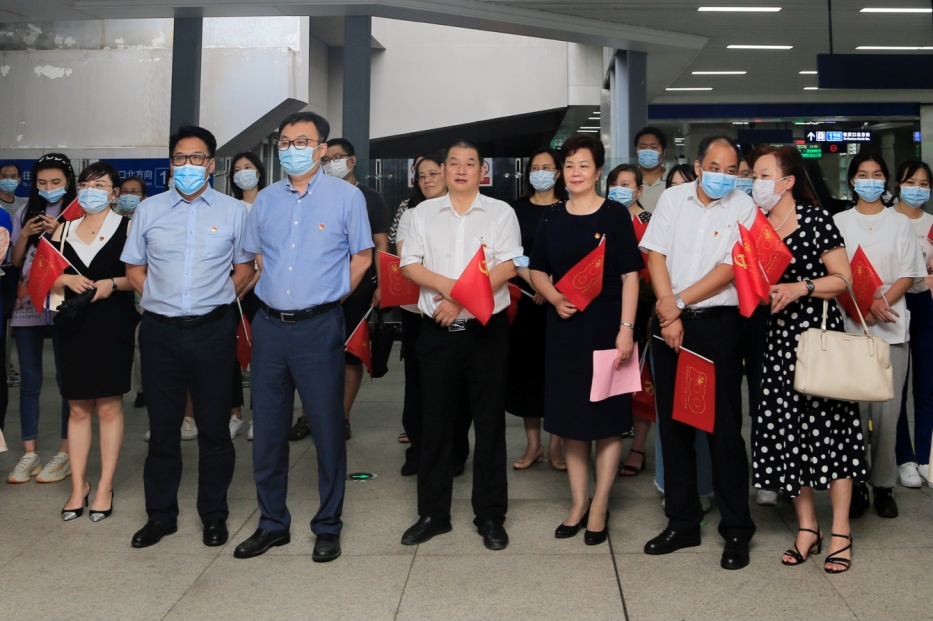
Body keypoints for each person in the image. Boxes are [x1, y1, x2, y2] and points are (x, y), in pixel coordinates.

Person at [234, 112, 372, 563]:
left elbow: (363, 257)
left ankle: (328, 525)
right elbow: (253, 260)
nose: (292, 149)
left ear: (320, 148)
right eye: (285, 142)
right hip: (269, 327)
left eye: (302, 141)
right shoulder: (266, 200)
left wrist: (331, 296)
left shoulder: (346, 197)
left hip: (319, 326)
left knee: (326, 428)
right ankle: (272, 523)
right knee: (268, 429)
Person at [122, 124, 255, 549]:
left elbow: (245, 268)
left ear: (211, 165)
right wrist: (160, 297)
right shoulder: (149, 210)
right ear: (171, 164)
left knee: (215, 428)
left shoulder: (233, 211)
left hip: (213, 330)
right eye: (180, 158)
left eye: (197, 158)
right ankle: (160, 516)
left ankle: (214, 515)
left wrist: (215, 299)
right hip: (160, 330)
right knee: (163, 428)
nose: (188, 165)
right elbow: (134, 267)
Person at [640, 135, 758, 570]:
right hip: (668, 323)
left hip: (717, 326)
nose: (723, 176)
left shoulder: (744, 207)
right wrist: (668, 312)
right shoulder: (673, 199)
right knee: (674, 428)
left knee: (722, 430)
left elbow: (731, 268)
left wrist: (678, 303)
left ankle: (736, 529)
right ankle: (683, 521)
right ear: (698, 165)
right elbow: (655, 255)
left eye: (732, 170)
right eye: (715, 167)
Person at [748, 144, 866, 574]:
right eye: (754, 176)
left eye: (763, 175)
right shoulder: (755, 225)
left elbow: (844, 279)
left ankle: (840, 531)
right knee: (787, 434)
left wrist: (802, 287)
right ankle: (807, 527)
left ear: (788, 181)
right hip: (777, 342)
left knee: (831, 431)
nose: (756, 183)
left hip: (817, 340)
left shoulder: (816, 220)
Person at [399, 139, 521, 551]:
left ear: (482, 171)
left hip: (486, 331)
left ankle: (490, 515)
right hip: (436, 332)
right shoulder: (421, 213)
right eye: (454, 163)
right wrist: (451, 289)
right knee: (434, 425)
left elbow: (508, 265)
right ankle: (433, 515)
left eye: (470, 163)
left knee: (489, 425)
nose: (462, 169)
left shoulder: (500, 212)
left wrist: (459, 300)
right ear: (445, 170)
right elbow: (409, 264)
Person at [530, 136, 642, 546]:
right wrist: (554, 296)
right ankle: (579, 502)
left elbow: (631, 275)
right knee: (572, 422)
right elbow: (537, 269)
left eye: (584, 165)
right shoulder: (552, 216)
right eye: (569, 166)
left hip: (608, 329)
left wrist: (626, 328)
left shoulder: (615, 214)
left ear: (597, 172)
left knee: (607, 421)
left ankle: (601, 504)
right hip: (566, 329)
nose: (575, 173)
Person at [833, 150, 926, 520]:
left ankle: (884, 484)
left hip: (891, 324)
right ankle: (855, 483)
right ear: (852, 180)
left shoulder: (899, 223)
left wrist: (879, 302)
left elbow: (909, 272)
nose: (869, 181)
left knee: (888, 412)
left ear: (885, 180)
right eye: (863, 175)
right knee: (853, 412)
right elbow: (834, 273)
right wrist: (863, 307)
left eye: (876, 175)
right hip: (850, 326)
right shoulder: (838, 221)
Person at [288, 137, 389, 442]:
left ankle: (341, 417)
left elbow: (381, 244)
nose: (330, 163)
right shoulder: (314, 195)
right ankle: (309, 416)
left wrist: (384, 285)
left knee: (349, 356)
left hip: (357, 291)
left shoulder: (370, 197)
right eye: (325, 158)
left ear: (351, 161)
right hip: (316, 291)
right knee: (312, 357)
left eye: (336, 157)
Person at [53, 162, 137, 522]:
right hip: (72, 325)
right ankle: (79, 486)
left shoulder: (128, 228)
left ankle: (104, 486)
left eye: (100, 185)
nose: (91, 190)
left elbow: (141, 278)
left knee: (108, 407)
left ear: (114, 193)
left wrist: (112, 284)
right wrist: (64, 281)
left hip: (112, 324)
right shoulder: (63, 229)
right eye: (86, 184)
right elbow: (41, 277)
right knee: (77, 408)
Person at [393, 154, 474, 477]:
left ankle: (455, 450)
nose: (427, 180)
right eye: (421, 176)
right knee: (417, 381)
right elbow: (406, 257)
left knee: (458, 383)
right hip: (417, 310)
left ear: (446, 173)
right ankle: (418, 448)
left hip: (461, 307)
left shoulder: (464, 210)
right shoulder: (410, 211)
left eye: (433, 173)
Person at [7, 153, 75, 484]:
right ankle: (30, 452)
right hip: (27, 305)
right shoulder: (24, 211)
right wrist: (24, 234)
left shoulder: (78, 211)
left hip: (64, 305)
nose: (48, 188)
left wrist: (60, 231)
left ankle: (65, 451)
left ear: (68, 181)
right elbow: (15, 261)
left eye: (56, 182)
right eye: (42, 182)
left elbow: (81, 260)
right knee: (30, 381)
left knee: (67, 379)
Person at [508, 148, 566, 471]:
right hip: (526, 301)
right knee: (527, 373)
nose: (540, 172)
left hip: (562, 303)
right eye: (535, 167)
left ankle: (556, 445)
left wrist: (552, 288)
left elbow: (577, 255)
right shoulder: (515, 210)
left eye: (547, 167)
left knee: (557, 373)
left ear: (558, 173)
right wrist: (540, 285)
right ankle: (534, 445)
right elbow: (513, 254)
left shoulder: (569, 207)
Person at [606, 163, 653, 478]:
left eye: (626, 184)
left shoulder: (649, 221)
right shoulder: (604, 214)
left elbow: (656, 268)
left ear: (639, 190)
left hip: (642, 305)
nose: (619, 189)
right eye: (615, 184)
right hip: (607, 305)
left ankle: (637, 448)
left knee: (640, 377)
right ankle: (609, 439)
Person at [892, 159, 933, 489]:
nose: (916, 189)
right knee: (896, 389)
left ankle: (925, 456)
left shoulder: (931, 224)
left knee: (926, 386)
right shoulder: (888, 221)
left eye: (923, 184)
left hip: (926, 307)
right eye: (910, 182)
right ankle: (903, 457)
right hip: (894, 304)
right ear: (898, 185)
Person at [228, 152, 267, 440]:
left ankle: (260, 415)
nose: (243, 173)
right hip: (230, 288)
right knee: (230, 353)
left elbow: (271, 253)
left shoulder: (271, 203)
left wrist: (250, 284)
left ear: (259, 172)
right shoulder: (229, 207)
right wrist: (234, 288)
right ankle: (235, 415)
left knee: (262, 354)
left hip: (262, 288)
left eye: (248, 167)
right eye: (237, 169)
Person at [117, 176, 147, 410]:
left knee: (140, 344)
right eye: (125, 191)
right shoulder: (111, 221)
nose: (129, 196)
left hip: (141, 292)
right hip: (115, 291)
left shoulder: (147, 221)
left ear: (143, 197)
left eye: (134, 192)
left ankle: (143, 389)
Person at [634, 126, 669, 212]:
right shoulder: (629, 178)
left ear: (664, 152)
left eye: (654, 147)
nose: (648, 151)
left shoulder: (672, 179)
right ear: (636, 151)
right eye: (642, 147)